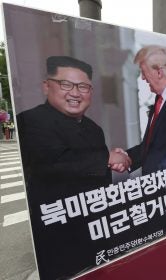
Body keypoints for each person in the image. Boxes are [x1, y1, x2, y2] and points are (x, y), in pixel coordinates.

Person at [16, 56, 131, 279]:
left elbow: (96, 169)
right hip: (57, 232)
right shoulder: (30, 121)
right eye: (65, 84)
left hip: (96, 228)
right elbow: (52, 163)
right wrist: (107, 158)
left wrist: (116, 161)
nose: (75, 93)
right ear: (46, 86)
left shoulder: (93, 128)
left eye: (83, 86)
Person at [125, 45, 166, 175]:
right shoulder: (160, 99)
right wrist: (127, 158)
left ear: (159, 72)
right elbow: (151, 145)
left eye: (144, 72)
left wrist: (155, 178)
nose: (142, 78)